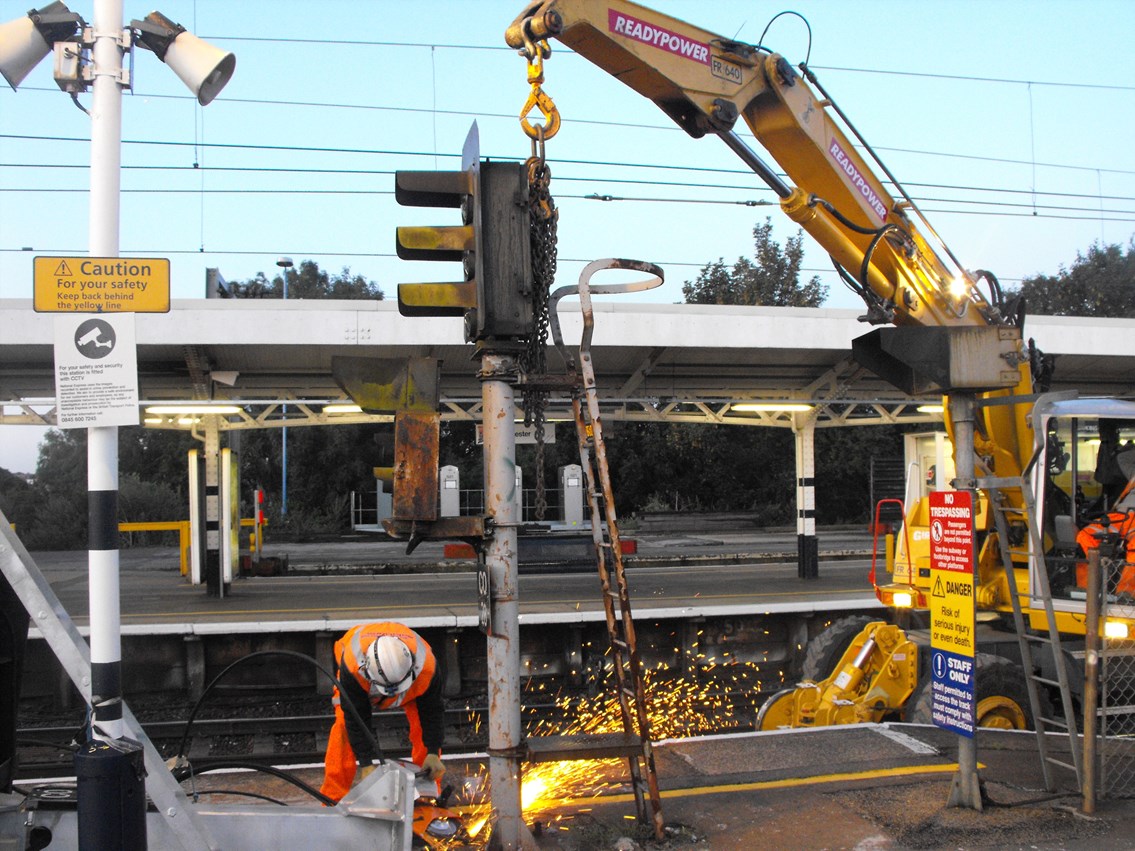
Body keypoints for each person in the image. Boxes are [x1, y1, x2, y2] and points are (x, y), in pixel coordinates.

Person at [320, 622, 446, 802]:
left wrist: (433, 751)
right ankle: (333, 798)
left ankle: (427, 794)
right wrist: (366, 763)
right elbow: (356, 718)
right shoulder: (353, 665)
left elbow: (432, 711)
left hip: (413, 683)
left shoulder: (428, 667)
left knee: (423, 730)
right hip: (359, 680)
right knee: (344, 729)